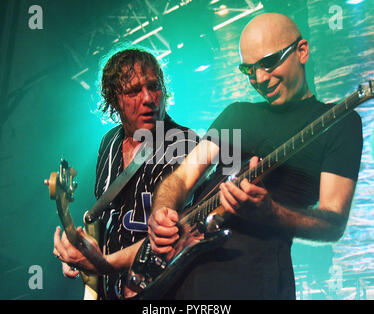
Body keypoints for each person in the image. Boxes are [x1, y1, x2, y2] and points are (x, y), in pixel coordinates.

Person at [148, 13, 363, 299]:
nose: (259, 79)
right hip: (181, 279)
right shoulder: (238, 113)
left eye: (269, 62)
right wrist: (162, 210)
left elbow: (333, 223)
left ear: (302, 51)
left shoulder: (340, 123)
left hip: (254, 279)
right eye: (249, 69)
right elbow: (183, 177)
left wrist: (272, 212)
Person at [52, 47, 198, 299]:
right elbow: (106, 218)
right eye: (133, 91)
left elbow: (176, 234)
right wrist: (82, 252)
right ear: (113, 99)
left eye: (154, 86)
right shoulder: (108, 143)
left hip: (165, 290)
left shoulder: (184, 143)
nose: (148, 99)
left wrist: (103, 263)